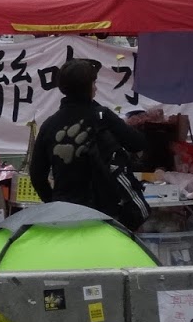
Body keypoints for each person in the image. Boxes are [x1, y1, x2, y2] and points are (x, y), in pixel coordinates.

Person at [29, 57, 148, 223]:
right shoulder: (102, 116)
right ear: (88, 87)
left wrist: (53, 202)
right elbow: (137, 143)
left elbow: (36, 175)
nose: (96, 88)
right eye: (94, 83)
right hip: (104, 210)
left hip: (65, 210)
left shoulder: (49, 125)